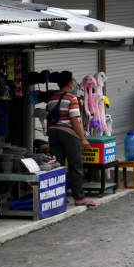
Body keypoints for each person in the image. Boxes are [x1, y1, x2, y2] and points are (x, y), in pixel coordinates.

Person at [46, 71, 95, 207]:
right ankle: (79, 198)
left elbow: (46, 116)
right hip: (68, 134)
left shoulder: (51, 98)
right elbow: (74, 120)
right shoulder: (71, 98)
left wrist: (51, 133)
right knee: (76, 166)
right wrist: (83, 139)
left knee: (57, 166)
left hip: (53, 133)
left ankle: (59, 196)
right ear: (70, 83)